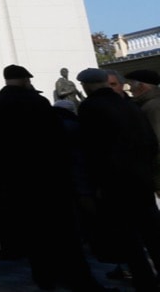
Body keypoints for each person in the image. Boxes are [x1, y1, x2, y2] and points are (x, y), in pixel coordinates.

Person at [0, 64, 104, 291]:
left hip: (13, 182)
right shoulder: (37, 103)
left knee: (33, 235)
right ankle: (78, 279)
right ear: (26, 80)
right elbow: (55, 142)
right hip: (47, 179)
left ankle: (44, 278)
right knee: (64, 233)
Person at [77, 67, 160, 289]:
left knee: (128, 236)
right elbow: (150, 141)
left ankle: (145, 280)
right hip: (141, 178)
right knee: (152, 231)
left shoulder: (90, 107)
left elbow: (93, 150)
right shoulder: (129, 105)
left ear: (86, 86)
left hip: (115, 181)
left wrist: (97, 183)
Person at [124, 68, 160, 194]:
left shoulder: (152, 107)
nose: (130, 89)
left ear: (142, 86)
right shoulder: (150, 104)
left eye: (131, 84)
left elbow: (157, 143)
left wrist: (157, 180)